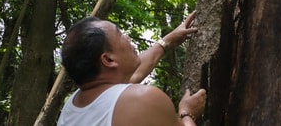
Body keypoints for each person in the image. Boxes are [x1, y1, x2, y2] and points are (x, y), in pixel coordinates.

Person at [57, 11, 206, 126]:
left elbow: (134, 75)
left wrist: (166, 41)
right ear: (108, 59)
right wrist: (187, 113)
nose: (127, 37)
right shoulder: (142, 98)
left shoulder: (73, 105)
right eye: (120, 34)